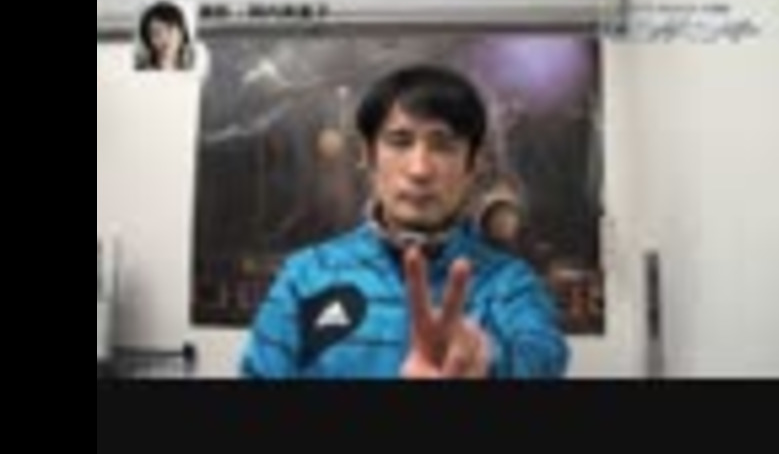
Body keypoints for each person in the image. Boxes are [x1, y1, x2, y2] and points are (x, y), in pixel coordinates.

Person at [240, 64, 569, 379]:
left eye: (443, 145)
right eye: (399, 142)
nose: (419, 170)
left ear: (474, 163)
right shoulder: (305, 277)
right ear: (368, 155)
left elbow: (543, 356)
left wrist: (485, 364)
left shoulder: (510, 286)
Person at [135, 1, 194, 71]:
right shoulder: (141, 73)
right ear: (148, 40)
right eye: (156, 33)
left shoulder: (193, 69)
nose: (164, 39)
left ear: (182, 33)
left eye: (169, 29)